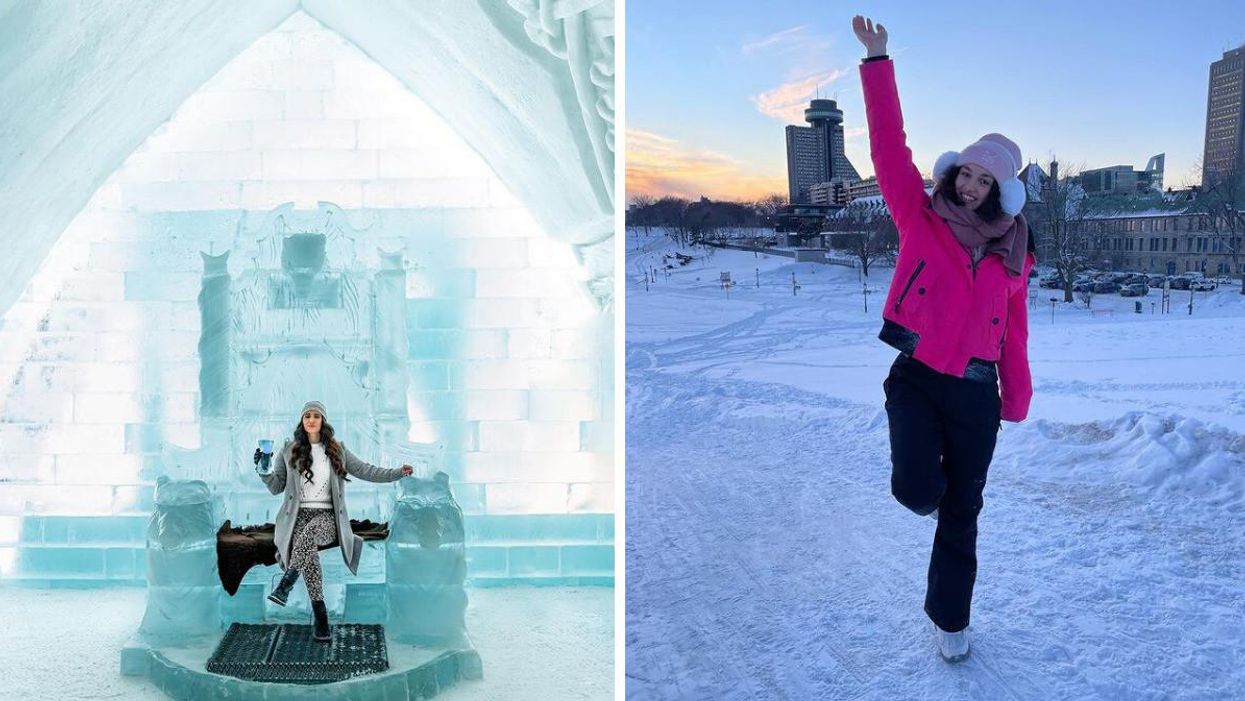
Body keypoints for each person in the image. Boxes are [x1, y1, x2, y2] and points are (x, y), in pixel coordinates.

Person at [852, 15, 1035, 662]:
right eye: (965, 173)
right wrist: (878, 60)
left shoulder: (1013, 250)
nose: (969, 185)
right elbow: (887, 149)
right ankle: (924, 497)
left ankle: (949, 619)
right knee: (915, 491)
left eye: (984, 181)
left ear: (1000, 193)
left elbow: (1013, 330)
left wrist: (1015, 396)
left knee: (963, 512)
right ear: (953, 172)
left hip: (976, 396)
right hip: (917, 379)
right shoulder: (919, 217)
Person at [255, 400, 413, 642]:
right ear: (302, 421)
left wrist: (397, 472)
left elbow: (367, 471)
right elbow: (276, 487)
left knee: (309, 535)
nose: (311, 420)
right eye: (307, 415)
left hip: (327, 518)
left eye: (316, 416)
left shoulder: (337, 450)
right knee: (309, 555)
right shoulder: (289, 451)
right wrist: (263, 469)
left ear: (323, 421)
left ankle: (285, 585)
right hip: (297, 518)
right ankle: (321, 616)